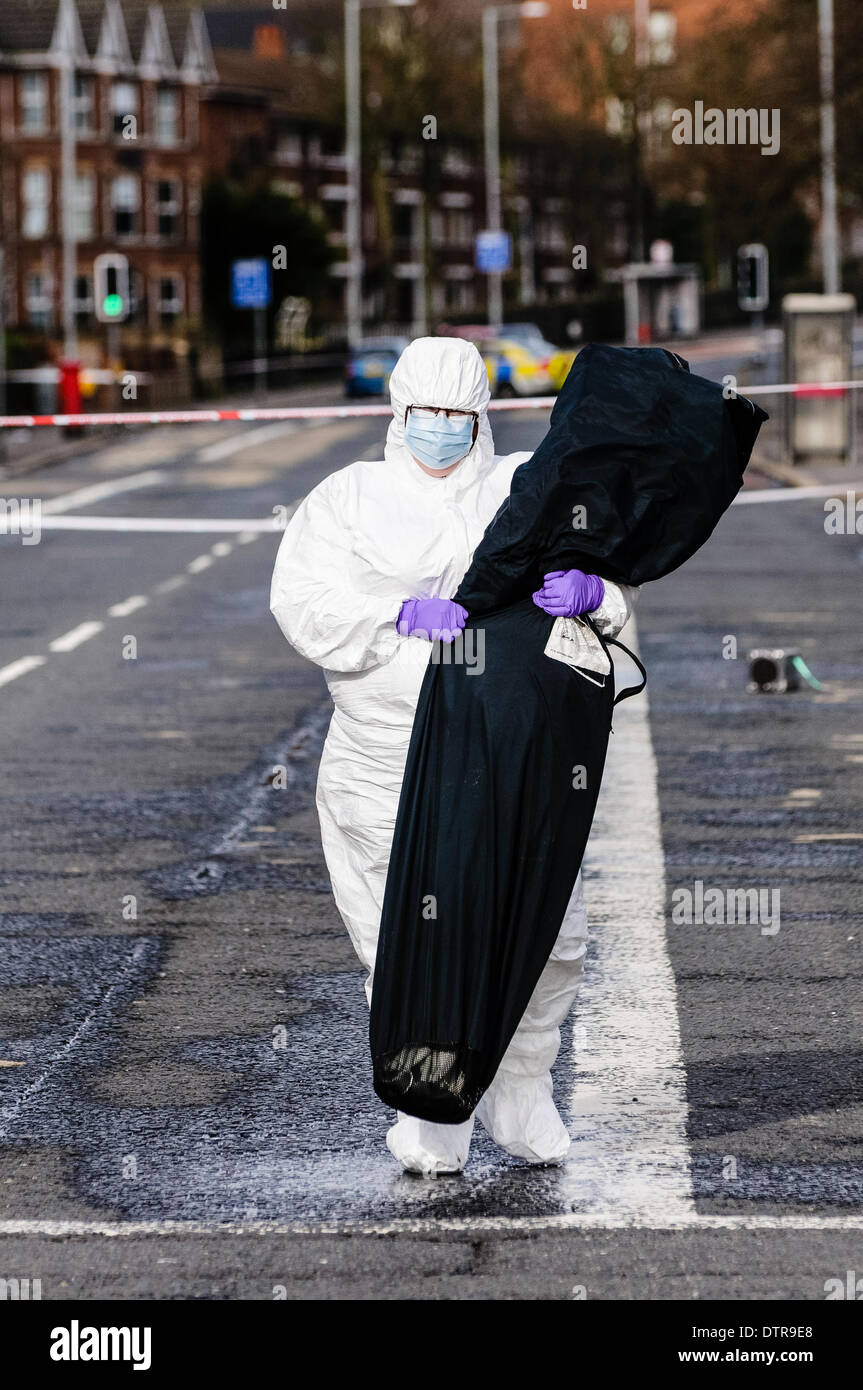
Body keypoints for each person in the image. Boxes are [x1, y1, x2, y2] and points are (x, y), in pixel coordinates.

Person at [270, 336, 637, 1175]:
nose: (440, 430)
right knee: (405, 942)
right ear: (398, 415)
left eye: (457, 416)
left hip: (513, 759)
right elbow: (301, 602)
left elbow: (610, 576)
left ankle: (521, 1087)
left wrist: (594, 596)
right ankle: (432, 1104)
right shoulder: (349, 499)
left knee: (549, 930)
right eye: (425, 414)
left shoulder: (523, 490)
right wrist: (394, 614)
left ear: (481, 417)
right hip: (383, 758)